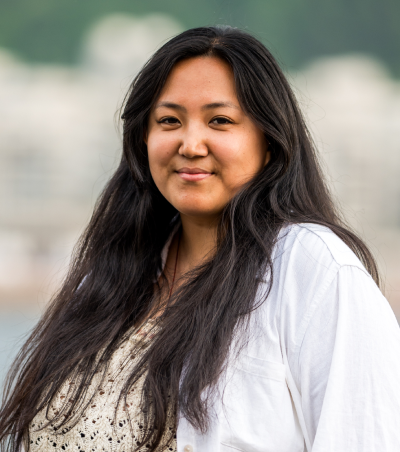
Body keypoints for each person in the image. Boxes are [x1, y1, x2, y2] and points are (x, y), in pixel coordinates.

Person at [1, 26, 400, 452]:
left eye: (220, 121)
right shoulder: (111, 277)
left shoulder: (314, 270)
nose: (191, 144)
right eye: (169, 120)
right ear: (143, 138)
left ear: (269, 140)